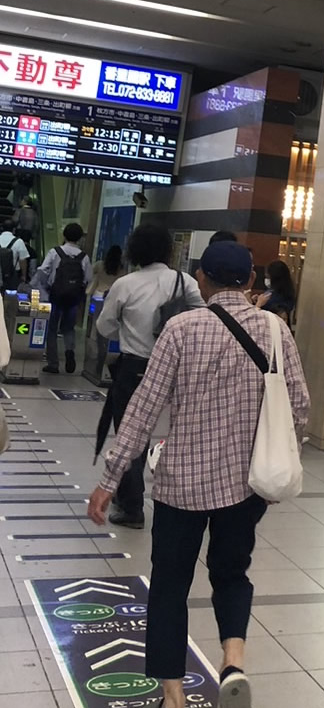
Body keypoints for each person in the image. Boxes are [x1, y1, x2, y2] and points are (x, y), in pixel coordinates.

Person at [87, 241, 310, 708]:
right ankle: (232, 666)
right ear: (250, 281)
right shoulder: (275, 329)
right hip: (245, 486)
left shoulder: (182, 328)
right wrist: (280, 468)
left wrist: (109, 479)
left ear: (203, 280)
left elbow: (143, 410)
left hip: (181, 486)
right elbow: (299, 407)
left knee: (170, 584)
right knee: (232, 574)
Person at [96, 224, 206, 530]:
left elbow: (103, 327)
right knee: (183, 431)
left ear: (134, 251)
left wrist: (128, 331)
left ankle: (131, 506)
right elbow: (205, 317)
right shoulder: (185, 282)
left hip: (135, 367)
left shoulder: (126, 284)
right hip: (179, 367)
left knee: (132, 433)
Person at [38, 223, 92, 375]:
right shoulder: (84, 257)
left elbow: (42, 270)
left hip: (55, 296)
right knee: (69, 328)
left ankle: (53, 363)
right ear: (80, 238)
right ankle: (69, 352)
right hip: (73, 299)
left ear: (64, 235)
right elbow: (88, 278)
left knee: (52, 329)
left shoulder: (55, 252)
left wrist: (45, 286)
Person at [252, 260, 297, 325]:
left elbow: (256, 317)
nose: (266, 279)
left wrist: (259, 304)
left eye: (267, 277)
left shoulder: (276, 298)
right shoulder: (286, 292)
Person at [0, 224, 30, 289]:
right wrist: (24, 275)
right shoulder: (19, 241)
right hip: (12, 274)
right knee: (11, 296)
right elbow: (22, 260)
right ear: (13, 230)